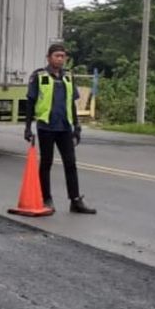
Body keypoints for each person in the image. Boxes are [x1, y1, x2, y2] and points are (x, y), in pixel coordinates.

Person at [24, 42, 96, 215]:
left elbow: (71, 102)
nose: (60, 59)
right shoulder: (39, 76)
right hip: (46, 126)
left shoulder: (68, 77)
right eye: (57, 56)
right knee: (46, 163)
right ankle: (46, 198)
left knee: (70, 163)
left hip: (64, 127)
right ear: (49, 58)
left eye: (63, 56)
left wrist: (76, 126)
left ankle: (75, 200)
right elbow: (30, 102)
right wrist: (27, 127)